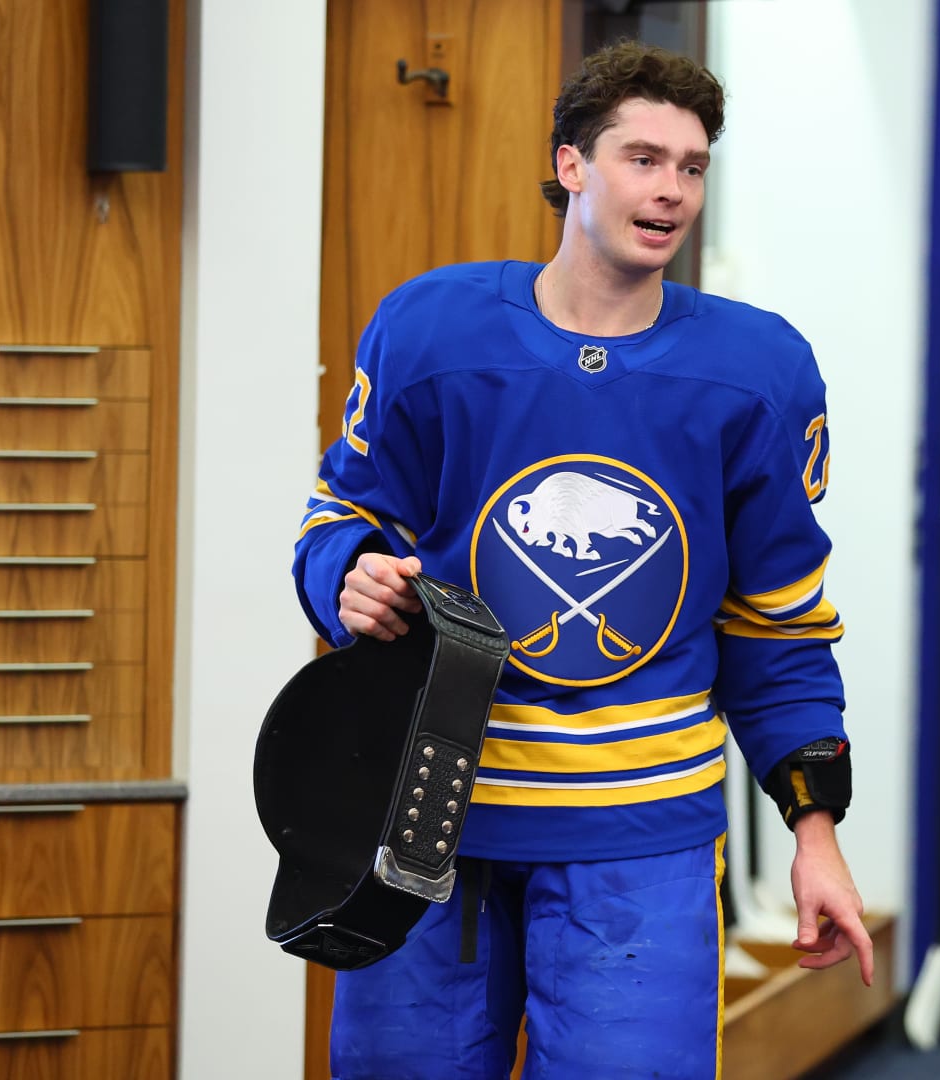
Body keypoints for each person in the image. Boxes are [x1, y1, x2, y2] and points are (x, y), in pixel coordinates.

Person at [291, 41, 873, 1078]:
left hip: (638, 838)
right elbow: (339, 514)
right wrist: (348, 575)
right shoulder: (431, 331)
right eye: (642, 159)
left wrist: (814, 832)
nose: (672, 189)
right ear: (571, 165)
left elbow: (778, 627)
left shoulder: (759, 373)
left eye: (692, 167)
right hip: (429, 813)